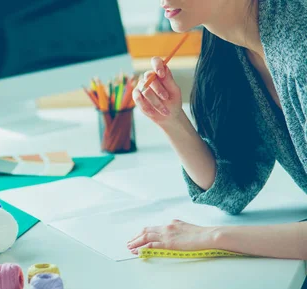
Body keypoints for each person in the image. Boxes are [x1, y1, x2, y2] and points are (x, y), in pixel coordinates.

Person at [126, 0, 307, 260]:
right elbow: (233, 191)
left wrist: (212, 237)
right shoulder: (231, 47)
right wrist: (171, 119)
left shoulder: (300, 48)